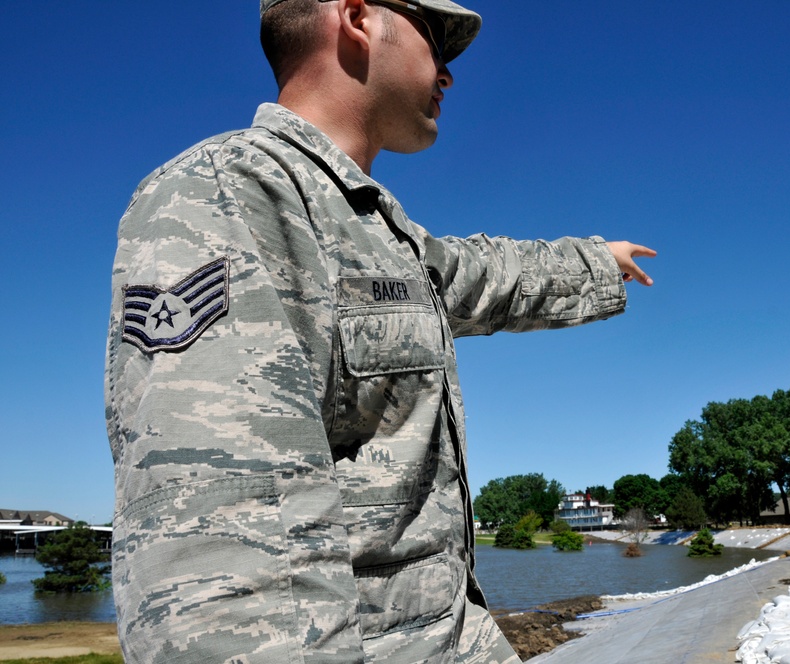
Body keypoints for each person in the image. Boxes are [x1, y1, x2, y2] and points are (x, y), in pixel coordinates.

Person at [104, 1, 655, 662]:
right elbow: (226, 543)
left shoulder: (376, 233)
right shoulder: (229, 191)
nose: (448, 74)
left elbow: (477, 273)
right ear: (359, 16)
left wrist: (595, 262)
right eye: (437, 41)